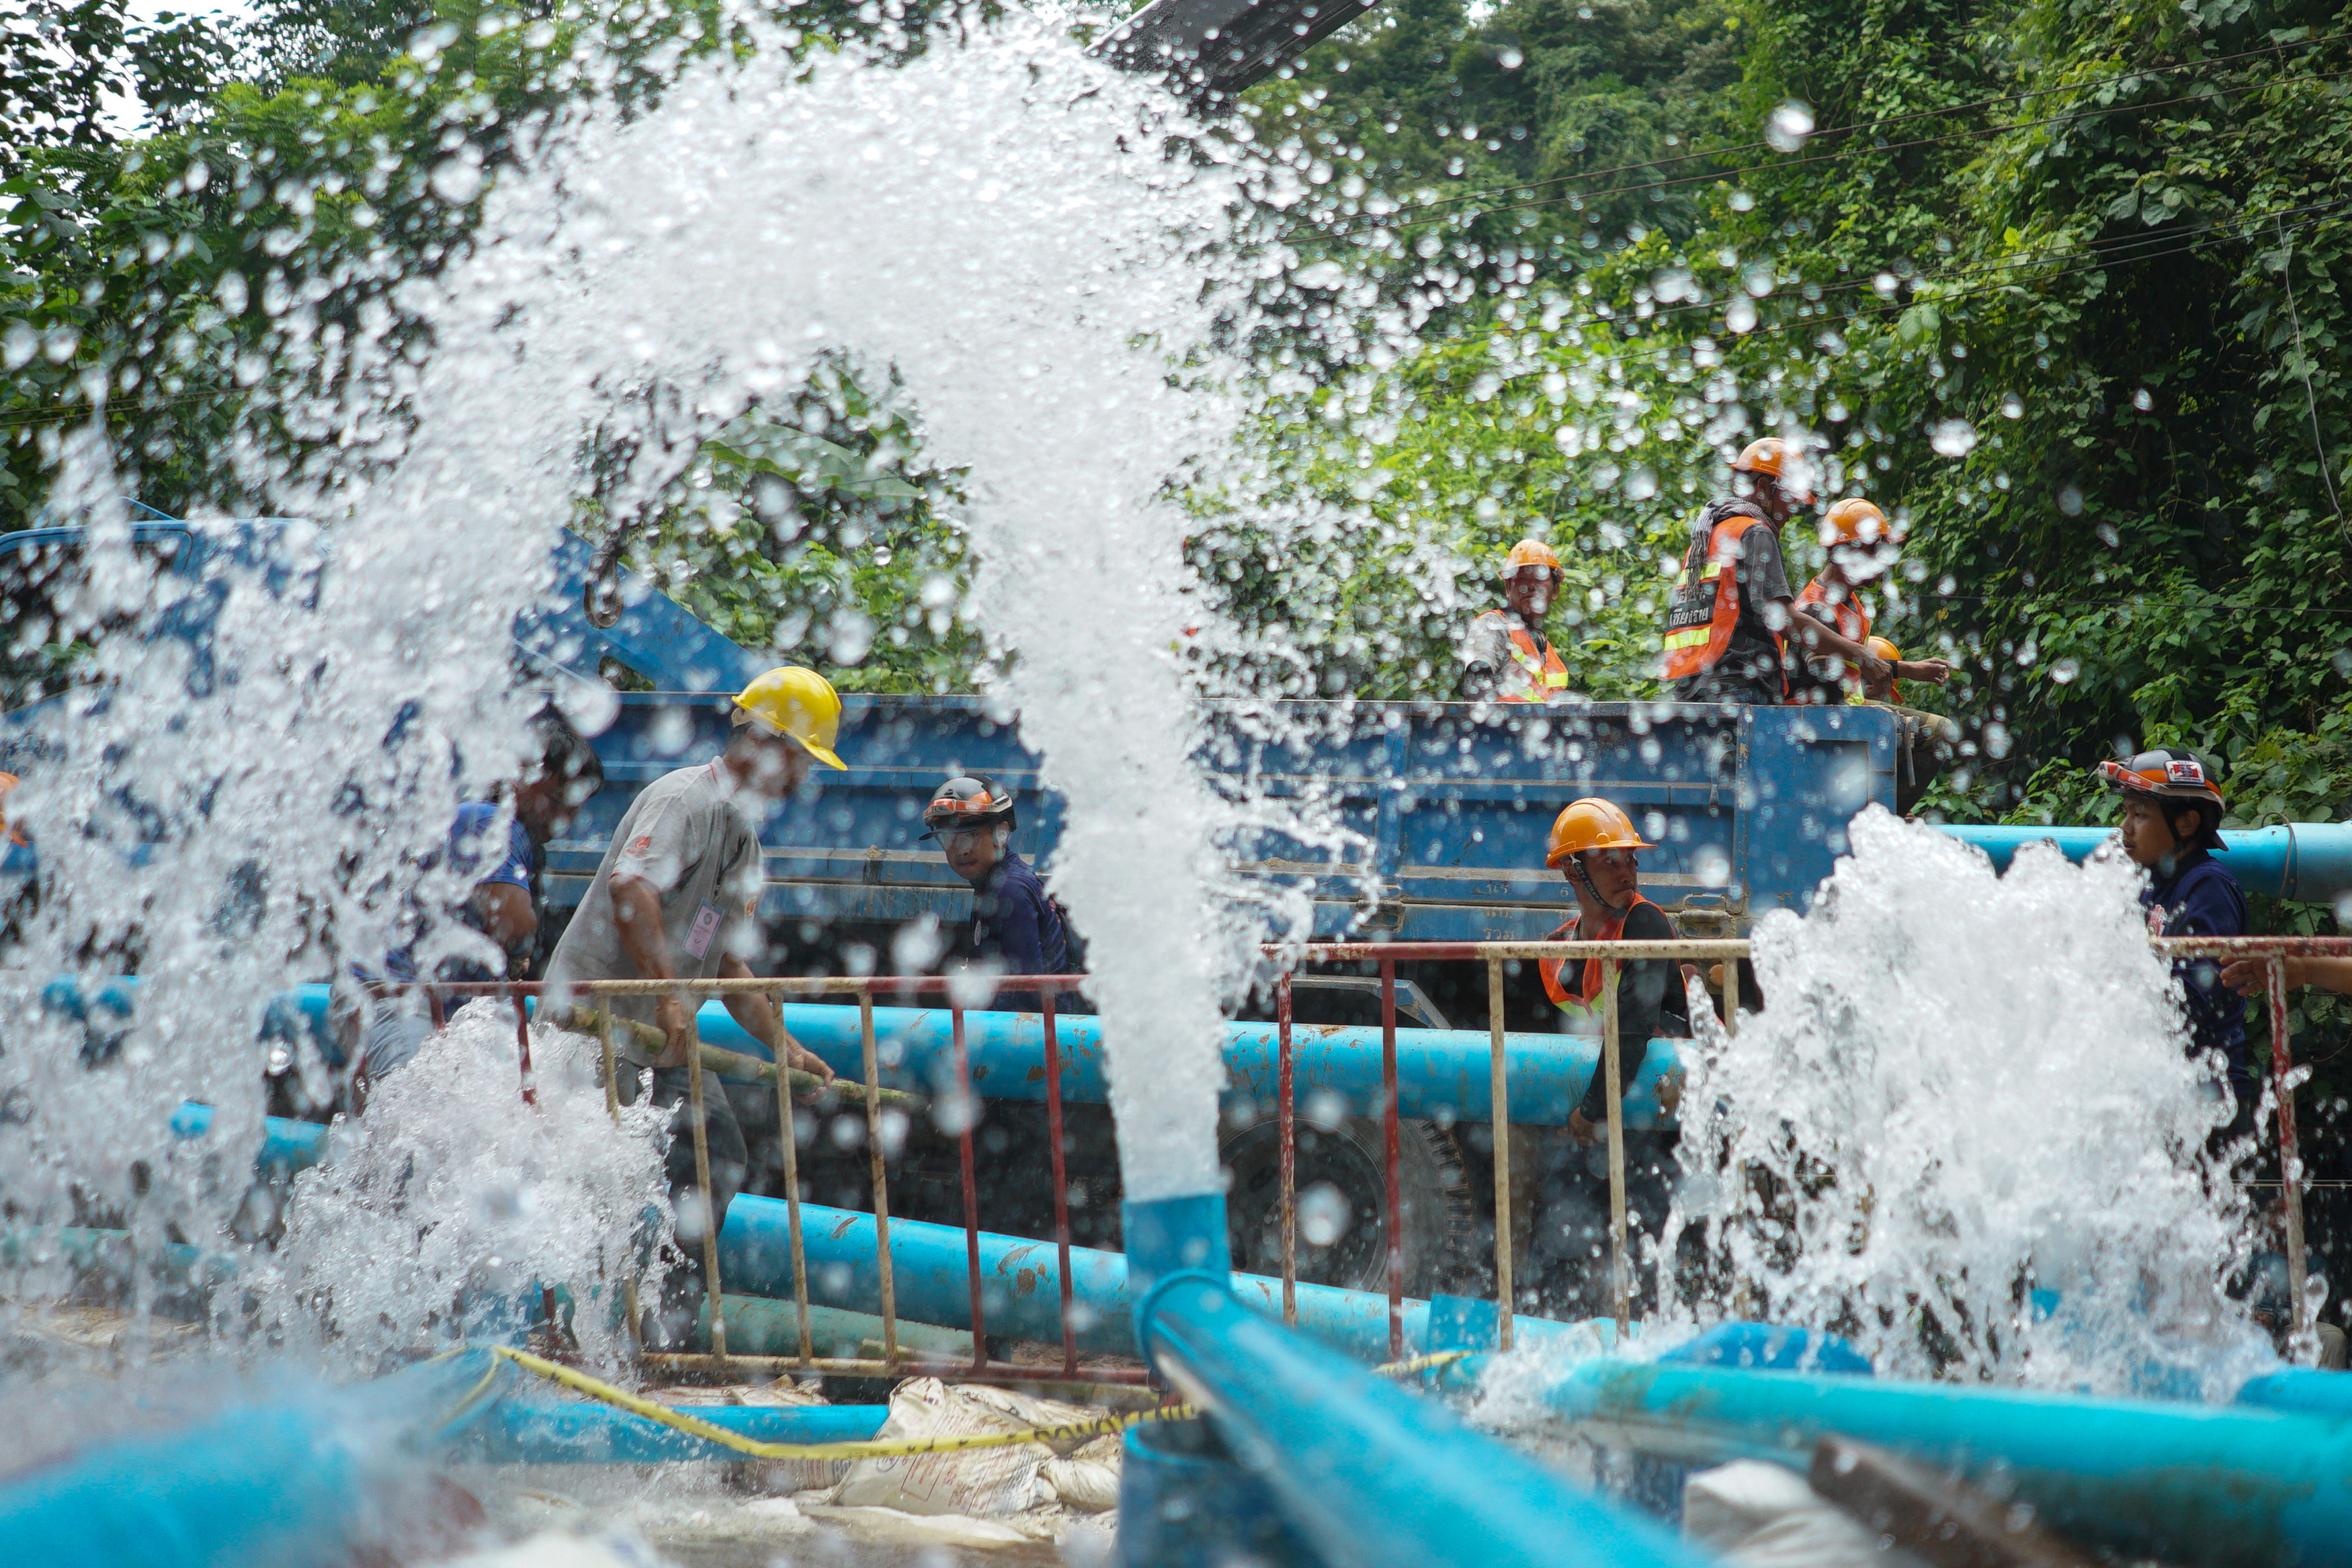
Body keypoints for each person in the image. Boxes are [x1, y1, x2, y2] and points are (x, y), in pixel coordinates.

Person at [546, 666, 844, 1339]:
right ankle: (574, 1331)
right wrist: (668, 997)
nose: (800, 781)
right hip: (595, 1027)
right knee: (593, 1180)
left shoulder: (743, 842)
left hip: (658, 1036)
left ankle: (662, 1328)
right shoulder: (683, 801)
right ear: (767, 744)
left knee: (717, 1152)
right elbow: (632, 891)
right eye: (801, 761)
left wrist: (784, 1045)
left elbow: (727, 960)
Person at [343, 708, 605, 1086]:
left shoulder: (497, 826)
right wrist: (523, 945)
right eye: (558, 800)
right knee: (420, 1123)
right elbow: (514, 925)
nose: (564, 819)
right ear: (524, 775)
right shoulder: (488, 820)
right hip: (398, 998)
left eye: (574, 808)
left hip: (422, 1002)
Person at [1527, 797, 1693, 1317]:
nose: (1628, 869)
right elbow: (1580, 1033)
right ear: (1574, 872)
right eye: (1611, 859)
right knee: (1557, 1229)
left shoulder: (1645, 923)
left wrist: (1590, 1109)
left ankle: (1656, 1353)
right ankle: (1546, 1333)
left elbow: (1635, 1023)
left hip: (1658, 1111)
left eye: (1631, 858)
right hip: (1620, 1105)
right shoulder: (1562, 950)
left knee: (1652, 1242)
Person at [1663, 439, 1890, 705]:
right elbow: (1783, 619)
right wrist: (1861, 654)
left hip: (1689, 690)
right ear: (1763, 488)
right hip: (1738, 688)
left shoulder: (1707, 537)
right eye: (1790, 498)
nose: (1793, 510)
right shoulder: (1755, 532)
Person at [2099, 748, 2252, 1141]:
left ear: (2186, 823)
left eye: (2140, 814)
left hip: (2208, 1091)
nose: (2125, 828)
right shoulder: (2151, 884)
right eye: (2126, 813)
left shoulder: (2207, 885)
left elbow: (2202, 995)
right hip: (2164, 1083)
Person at [923, 773, 1068, 1012]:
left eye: (971, 837)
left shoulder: (1010, 889)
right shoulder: (992, 883)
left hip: (1037, 1037)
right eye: (949, 838)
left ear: (1001, 834)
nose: (961, 850)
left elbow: (1022, 993)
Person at [1788, 498, 1951, 705]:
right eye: (1876, 551)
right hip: (1816, 724)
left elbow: (1852, 664)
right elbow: (1827, 691)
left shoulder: (1847, 600)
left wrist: (1909, 669)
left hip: (1840, 716)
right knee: (1939, 728)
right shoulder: (1817, 610)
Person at [1461, 538, 1570, 703]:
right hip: (1497, 727)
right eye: (1522, 579)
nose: (1532, 586)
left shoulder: (1543, 647)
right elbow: (1477, 682)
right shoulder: (1493, 625)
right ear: (1508, 588)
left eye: (1540, 579)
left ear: (1555, 591)